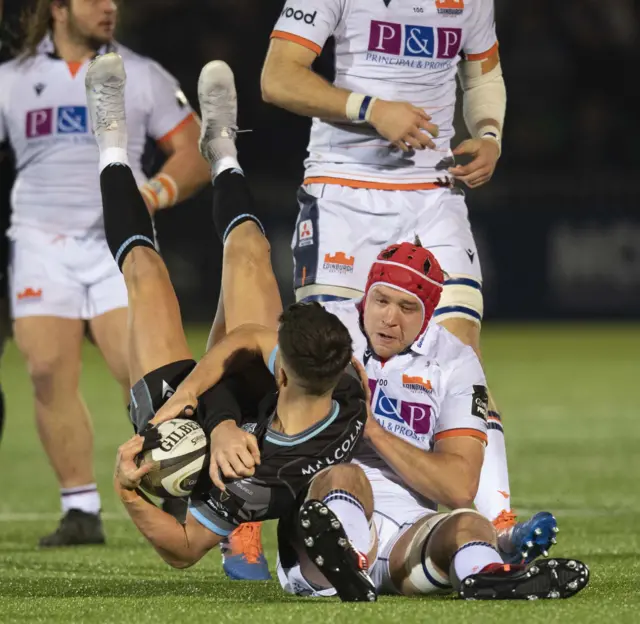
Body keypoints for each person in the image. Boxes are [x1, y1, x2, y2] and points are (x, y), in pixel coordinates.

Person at [148, 58, 589, 602]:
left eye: (407, 309)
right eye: (380, 299)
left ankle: (489, 578)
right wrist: (204, 410)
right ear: (366, 293)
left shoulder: (453, 360)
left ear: (427, 316)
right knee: (344, 477)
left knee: (469, 526)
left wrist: (371, 428)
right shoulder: (333, 334)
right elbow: (246, 343)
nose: (388, 317)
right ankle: (346, 562)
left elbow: (455, 487)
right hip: (322, 523)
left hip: (411, 535)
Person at [259, 0, 550, 565]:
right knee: (325, 364)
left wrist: (489, 133)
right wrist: (370, 108)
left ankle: (493, 527)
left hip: (432, 192)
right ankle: (258, 510)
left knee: (460, 354)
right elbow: (277, 76)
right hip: (343, 190)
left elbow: (482, 70)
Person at [89, 52, 381, 602]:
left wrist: (129, 491)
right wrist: (227, 420)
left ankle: (109, 137)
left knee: (146, 273)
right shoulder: (346, 388)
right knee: (249, 249)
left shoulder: (249, 483)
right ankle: (222, 149)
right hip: (242, 409)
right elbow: (246, 341)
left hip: (201, 444)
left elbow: (181, 548)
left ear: (286, 375)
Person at [0, 0, 210, 545]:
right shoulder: (13, 79)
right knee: (47, 371)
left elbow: (193, 150)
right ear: (58, 9)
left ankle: (182, 488)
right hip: (40, 241)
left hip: (118, 245)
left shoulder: (140, 73)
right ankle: (80, 510)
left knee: (144, 377)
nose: (110, 7)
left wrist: (155, 192)